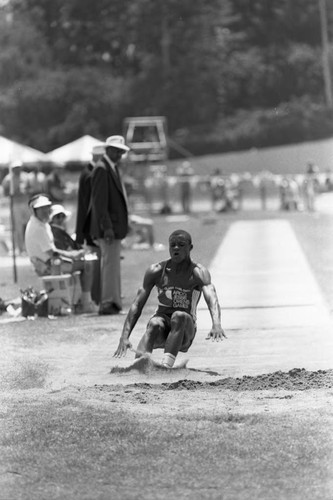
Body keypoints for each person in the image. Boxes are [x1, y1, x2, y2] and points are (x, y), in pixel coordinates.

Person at [113, 229, 226, 368]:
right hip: (162, 327)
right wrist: (124, 336)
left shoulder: (198, 272)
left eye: (181, 244)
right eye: (172, 245)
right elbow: (137, 304)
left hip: (184, 330)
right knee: (154, 323)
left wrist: (216, 324)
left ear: (190, 248)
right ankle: (138, 366)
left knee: (178, 316)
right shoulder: (156, 270)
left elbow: (211, 296)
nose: (176, 248)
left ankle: (166, 366)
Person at [25, 195, 97, 313]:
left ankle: (83, 302)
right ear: (34, 210)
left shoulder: (42, 224)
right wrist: (73, 255)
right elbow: (52, 252)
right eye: (41, 208)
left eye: (47, 207)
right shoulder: (37, 227)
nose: (45, 211)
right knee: (88, 264)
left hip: (51, 263)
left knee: (85, 261)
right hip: (48, 266)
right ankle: (86, 303)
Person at [89, 135, 130, 315]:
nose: (121, 155)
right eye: (118, 152)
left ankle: (113, 301)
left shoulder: (110, 168)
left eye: (122, 152)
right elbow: (100, 203)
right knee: (109, 265)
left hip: (114, 227)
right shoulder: (102, 169)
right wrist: (107, 227)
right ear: (109, 150)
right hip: (109, 228)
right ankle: (107, 302)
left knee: (113, 265)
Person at [1, 161, 30, 254]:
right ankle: (20, 248)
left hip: (26, 203)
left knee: (28, 225)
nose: (17, 169)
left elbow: (30, 188)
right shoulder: (8, 179)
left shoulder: (26, 176)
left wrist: (26, 191)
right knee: (18, 227)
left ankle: (28, 247)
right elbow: (5, 193)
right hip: (15, 204)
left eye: (18, 167)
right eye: (15, 168)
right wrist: (14, 192)